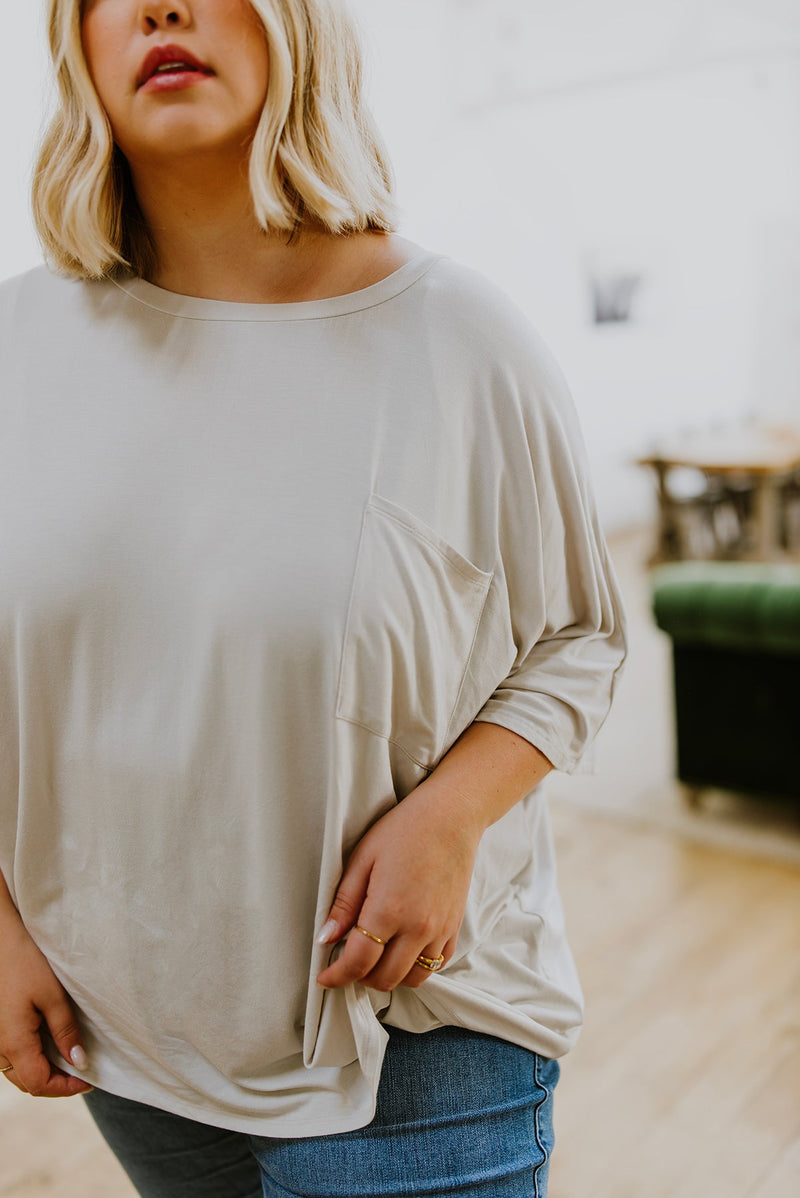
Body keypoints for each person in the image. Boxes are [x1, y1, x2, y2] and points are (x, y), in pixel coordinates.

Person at [0, 1, 627, 1194]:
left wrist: (449, 817)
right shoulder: (16, 346)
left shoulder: (455, 337)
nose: (163, 9)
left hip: (410, 1035)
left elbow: (580, 635)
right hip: (124, 1034)